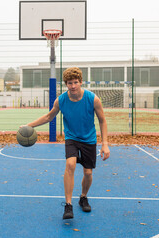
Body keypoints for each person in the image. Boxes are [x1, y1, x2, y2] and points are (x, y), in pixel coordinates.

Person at [22, 67, 110, 219]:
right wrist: (29, 125)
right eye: (70, 83)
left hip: (89, 139)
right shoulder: (61, 100)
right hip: (71, 138)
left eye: (76, 82)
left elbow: (102, 120)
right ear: (66, 84)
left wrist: (105, 144)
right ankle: (68, 205)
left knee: (88, 173)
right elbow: (49, 117)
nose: (73, 86)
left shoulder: (93, 99)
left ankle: (83, 197)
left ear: (81, 82)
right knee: (70, 165)